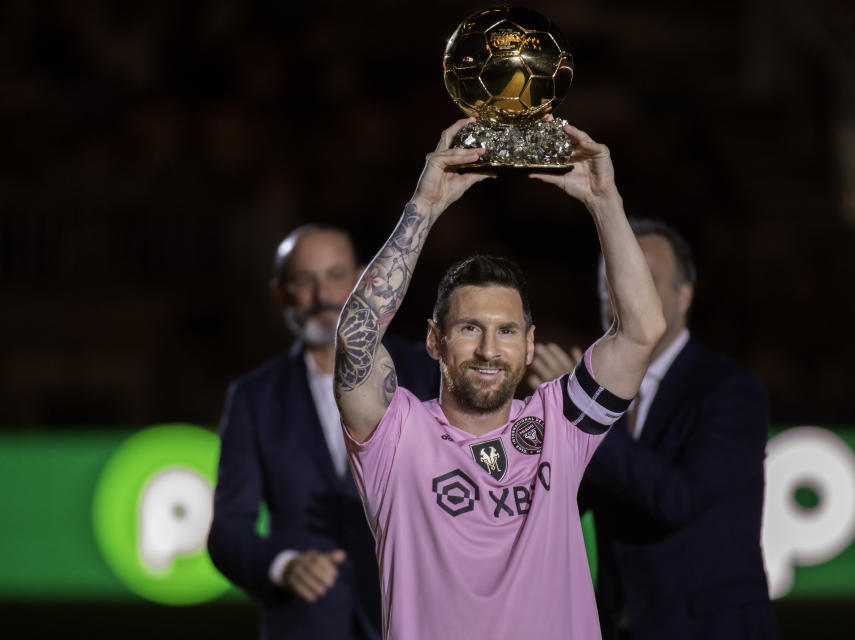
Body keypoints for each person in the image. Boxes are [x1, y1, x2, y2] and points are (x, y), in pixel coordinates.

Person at [332, 117, 666, 640]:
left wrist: (605, 201)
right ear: (434, 341)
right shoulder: (396, 436)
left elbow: (643, 330)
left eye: (506, 331)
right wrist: (425, 207)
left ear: (529, 344)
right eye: (470, 328)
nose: (490, 349)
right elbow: (356, 341)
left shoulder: (562, 422)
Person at [528, 219, 780, 639]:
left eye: (642, 278)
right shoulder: (595, 386)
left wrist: (588, 409)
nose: (622, 292)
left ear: (685, 295)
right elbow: (565, 505)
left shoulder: (731, 390)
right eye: (611, 280)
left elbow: (679, 498)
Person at [207, 225, 438, 640]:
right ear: (280, 294)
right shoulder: (252, 397)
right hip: (305, 624)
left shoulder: (427, 372)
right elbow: (228, 532)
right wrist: (283, 564)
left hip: (416, 619)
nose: (323, 296)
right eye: (304, 281)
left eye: (335, 275)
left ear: (365, 279)